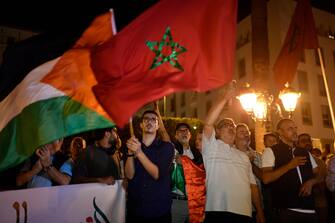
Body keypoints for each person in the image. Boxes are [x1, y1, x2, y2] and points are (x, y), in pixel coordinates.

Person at [202, 82, 264, 223]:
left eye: (233, 126)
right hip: (217, 211)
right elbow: (208, 124)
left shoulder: (243, 156)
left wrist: (259, 211)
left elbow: (253, 186)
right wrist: (225, 98)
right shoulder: (211, 147)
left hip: (245, 213)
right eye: (225, 125)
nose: (231, 127)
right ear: (217, 132)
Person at [262, 119, 320, 223]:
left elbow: (319, 174)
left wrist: (312, 182)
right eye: (290, 129)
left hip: (310, 210)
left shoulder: (304, 152)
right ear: (280, 132)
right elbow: (266, 179)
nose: (294, 131)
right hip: (286, 211)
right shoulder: (270, 151)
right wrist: (289, 166)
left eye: (295, 128)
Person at [125, 110, 174, 223]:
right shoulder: (133, 145)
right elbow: (129, 175)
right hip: (135, 210)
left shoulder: (166, 147)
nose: (149, 121)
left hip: (158, 211)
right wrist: (130, 153)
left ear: (158, 126)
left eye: (153, 119)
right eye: (146, 119)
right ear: (141, 125)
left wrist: (139, 152)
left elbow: (157, 174)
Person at [235, 123, 264, 222]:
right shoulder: (231, 154)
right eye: (241, 132)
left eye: (247, 131)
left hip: (256, 207)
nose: (245, 134)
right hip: (238, 207)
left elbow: (263, 178)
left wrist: (251, 163)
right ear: (234, 135)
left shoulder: (258, 156)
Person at [297, 133, 328, 223]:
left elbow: (323, 182)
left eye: (309, 140)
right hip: (301, 205)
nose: (307, 143)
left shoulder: (320, 162)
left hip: (319, 203)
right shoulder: (295, 160)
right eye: (303, 141)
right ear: (297, 144)